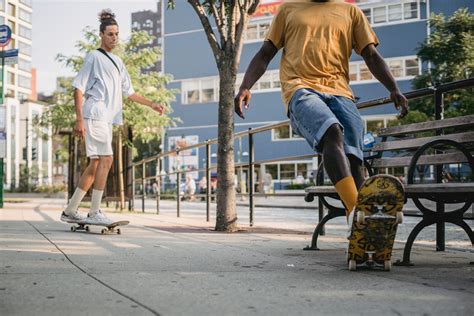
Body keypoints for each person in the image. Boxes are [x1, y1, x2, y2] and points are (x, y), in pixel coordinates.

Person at [234, 0, 408, 230]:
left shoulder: (351, 12)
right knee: (331, 131)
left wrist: (393, 88)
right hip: (300, 89)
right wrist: (246, 86)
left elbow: (371, 55)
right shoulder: (288, 9)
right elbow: (265, 53)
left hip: (341, 92)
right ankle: (355, 211)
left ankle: (364, 224)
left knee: (354, 155)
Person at [61, 9, 165, 225]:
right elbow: (78, 88)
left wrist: (152, 104)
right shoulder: (94, 56)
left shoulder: (118, 62)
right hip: (94, 113)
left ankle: (71, 210)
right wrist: (79, 119)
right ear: (102, 35)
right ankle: (95, 212)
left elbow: (130, 92)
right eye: (110, 34)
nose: (114, 37)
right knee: (106, 160)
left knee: (96, 163)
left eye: (117, 34)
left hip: (105, 119)